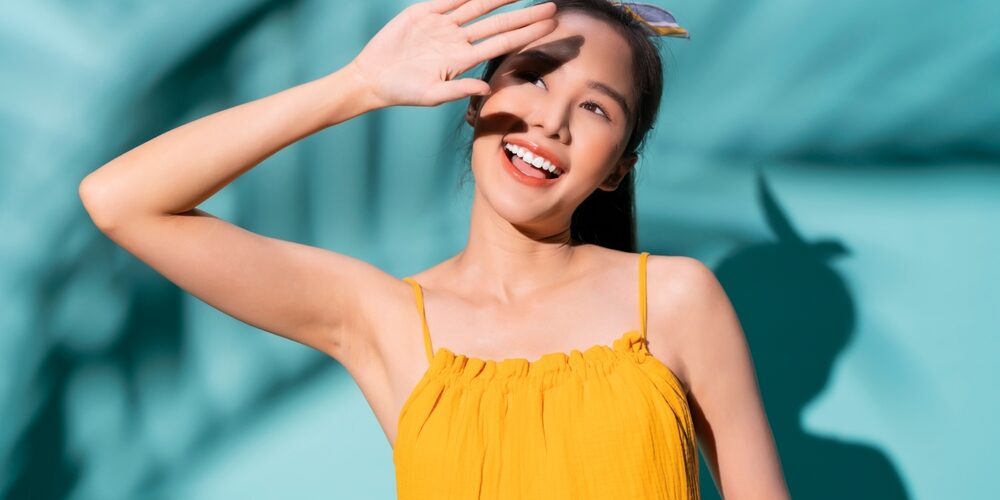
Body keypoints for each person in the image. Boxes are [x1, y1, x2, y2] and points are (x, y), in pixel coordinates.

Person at [79, 0, 789, 497]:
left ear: (618, 167)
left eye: (596, 107)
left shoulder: (676, 298)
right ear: (477, 97)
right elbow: (121, 201)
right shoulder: (383, 319)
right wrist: (356, 87)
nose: (552, 119)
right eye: (534, 76)